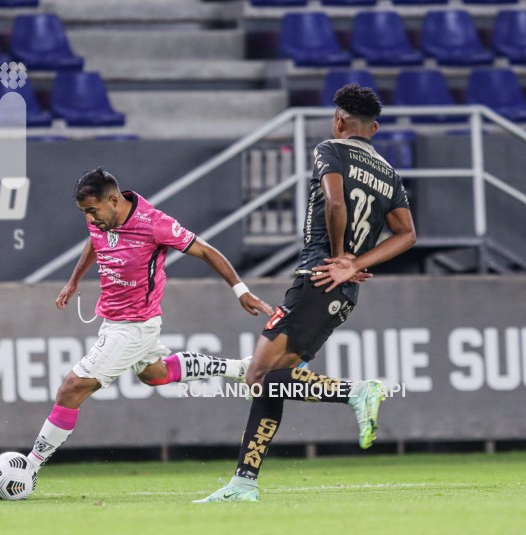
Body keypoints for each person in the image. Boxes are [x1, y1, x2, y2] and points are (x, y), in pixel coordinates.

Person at [194, 83, 417, 502]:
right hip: (342, 291)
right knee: (270, 379)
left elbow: (335, 203)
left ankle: (357, 391)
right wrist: (357, 263)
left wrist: (339, 258)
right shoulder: (389, 174)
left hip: (319, 278)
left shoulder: (330, 149)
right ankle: (244, 482)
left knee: (257, 375)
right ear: (376, 127)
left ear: (339, 121)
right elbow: (407, 235)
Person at [22, 167, 275, 472]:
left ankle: (28, 468)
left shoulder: (155, 224)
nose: (89, 219)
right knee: (154, 374)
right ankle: (241, 369)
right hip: (114, 320)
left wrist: (241, 291)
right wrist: (74, 280)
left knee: (72, 388)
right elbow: (95, 239)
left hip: (135, 326)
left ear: (114, 200)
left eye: (92, 211)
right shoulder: (101, 219)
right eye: (83, 213)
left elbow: (206, 252)